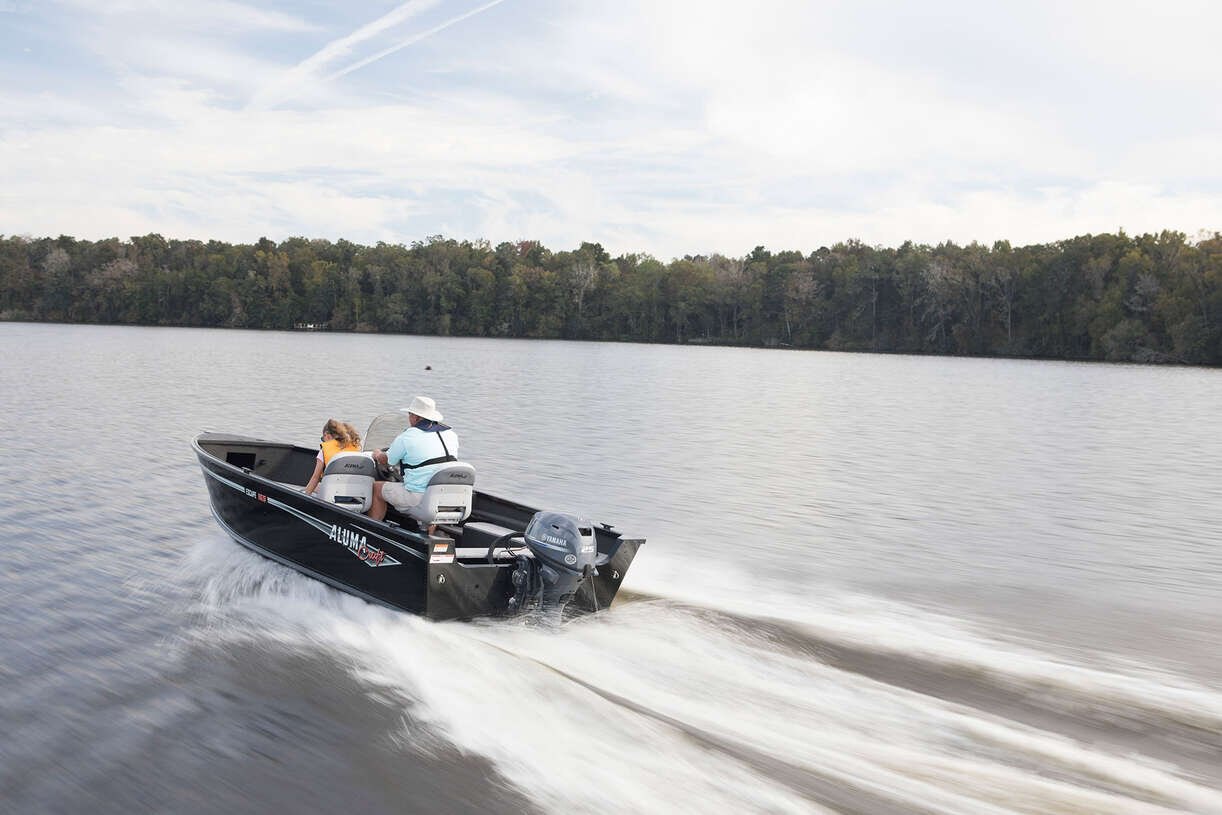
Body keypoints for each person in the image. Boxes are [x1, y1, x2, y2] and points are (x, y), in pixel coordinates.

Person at [368, 396, 459, 524]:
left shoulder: (408, 436)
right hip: (447, 496)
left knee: (376, 488)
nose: (409, 418)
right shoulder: (451, 435)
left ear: (416, 417)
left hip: (418, 498)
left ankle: (371, 529)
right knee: (432, 492)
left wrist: (377, 454)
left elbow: (386, 461)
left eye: (410, 414)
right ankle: (430, 531)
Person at [303, 419, 364, 495]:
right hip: (352, 492)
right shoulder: (356, 449)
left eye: (323, 439)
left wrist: (305, 495)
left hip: (332, 493)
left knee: (312, 487)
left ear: (327, 435)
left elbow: (316, 477)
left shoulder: (325, 450)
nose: (323, 441)